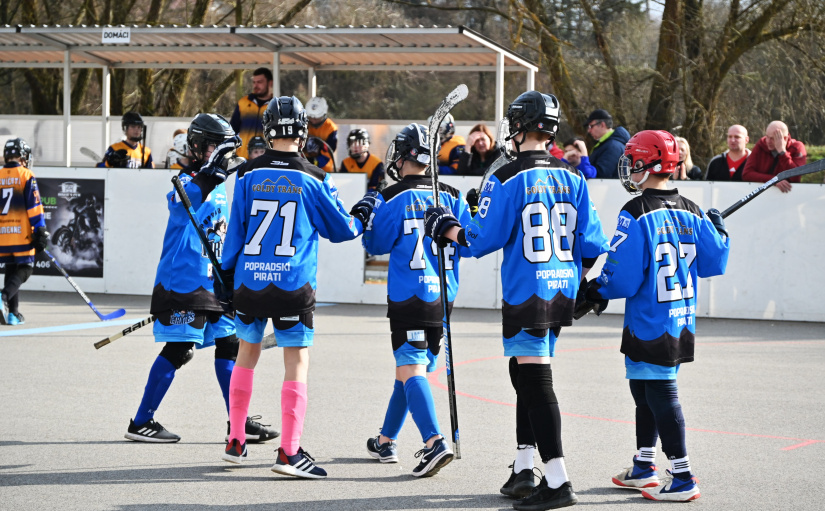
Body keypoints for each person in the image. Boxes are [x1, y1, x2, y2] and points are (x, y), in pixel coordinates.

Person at [425, 91, 610, 510]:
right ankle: (525, 467)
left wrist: (448, 227)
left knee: (534, 380)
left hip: (528, 291)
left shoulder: (505, 176)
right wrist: (577, 277)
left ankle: (559, 480)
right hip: (561, 289)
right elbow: (594, 243)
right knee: (522, 371)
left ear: (519, 126)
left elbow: (479, 241)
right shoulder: (574, 176)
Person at [576, 130, 729, 503]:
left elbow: (623, 277)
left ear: (651, 164)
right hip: (678, 321)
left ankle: (682, 476)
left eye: (633, 161)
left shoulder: (636, 212)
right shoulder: (691, 210)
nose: (628, 168)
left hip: (650, 322)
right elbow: (715, 261)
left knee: (660, 393)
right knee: (642, 390)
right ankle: (644, 466)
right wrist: (719, 230)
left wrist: (595, 290)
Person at [218, 96, 363, 479]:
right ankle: (289, 451)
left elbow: (235, 234)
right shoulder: (314, 177)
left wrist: (227, 280)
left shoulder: (246, 174)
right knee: (295, 362)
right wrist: (362, 215)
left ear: (267, 129)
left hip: (250, 281)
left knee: (246, 353)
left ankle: (235, 440)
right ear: (302, 129)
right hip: (292, 284)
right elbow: (342, 229)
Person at [126, 113, 277, 445]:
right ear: (196, 146)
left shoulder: (221, 182)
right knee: (179, 348)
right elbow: (179, 205)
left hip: (214, 283)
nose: (218, 154)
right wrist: (208, 178)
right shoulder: (190, 179)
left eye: (221, 149)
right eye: (213, 147)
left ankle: (238, 422)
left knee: (229, 346)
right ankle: (141, 421)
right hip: (184, 281)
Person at [356, 123, 470, 477]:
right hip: (443, 297)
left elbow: (374, 246)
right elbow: (467, 241)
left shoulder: (393, 196)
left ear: (403, 156)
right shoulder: (451, 193)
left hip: (409, 296)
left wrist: (372, 214)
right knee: (408, 371)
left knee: (411, 367)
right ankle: (385, 440)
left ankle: (434, 441)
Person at [0, 138, 49, 326]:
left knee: (12, 268)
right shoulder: (26, 175)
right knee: (26, 269)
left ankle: (13, 314)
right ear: (22, 157)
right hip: (21, 233)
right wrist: (40, 230)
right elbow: (34, 207)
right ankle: (3, 296)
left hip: (3, 235)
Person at [742, 120, 807, 193]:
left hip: (788, 194)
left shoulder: (797, 147)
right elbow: (747, 174)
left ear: (784, 139)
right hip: (763, 194)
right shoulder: (760, 145)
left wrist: (782, 152)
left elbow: (795, 177)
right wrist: (774, 180)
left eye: (772, 138)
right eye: (767, 136)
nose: (768, 141)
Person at [230, 67, 273, 159]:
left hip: (266, 159)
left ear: (270, 83)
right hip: (242, 158)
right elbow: (232, 130)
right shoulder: (243, 103)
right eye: (254, 82)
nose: (256, 85)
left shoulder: (276, 106)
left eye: (259, 82)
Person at [584, 109, 630, 179]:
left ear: (602, 125)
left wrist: (582, 161)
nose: (589, 130)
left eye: (591, 126)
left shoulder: (612, 147)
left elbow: (601, 175)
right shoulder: (608, 144)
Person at [305, 96, 338, 173]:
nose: (313, 121)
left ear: (323, 115)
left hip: (324, 169)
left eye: (316, 118)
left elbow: (329, 153)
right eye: (310, 117)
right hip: (304, 165)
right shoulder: (305, 124)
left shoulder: (331, 128)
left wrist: (311, 162)